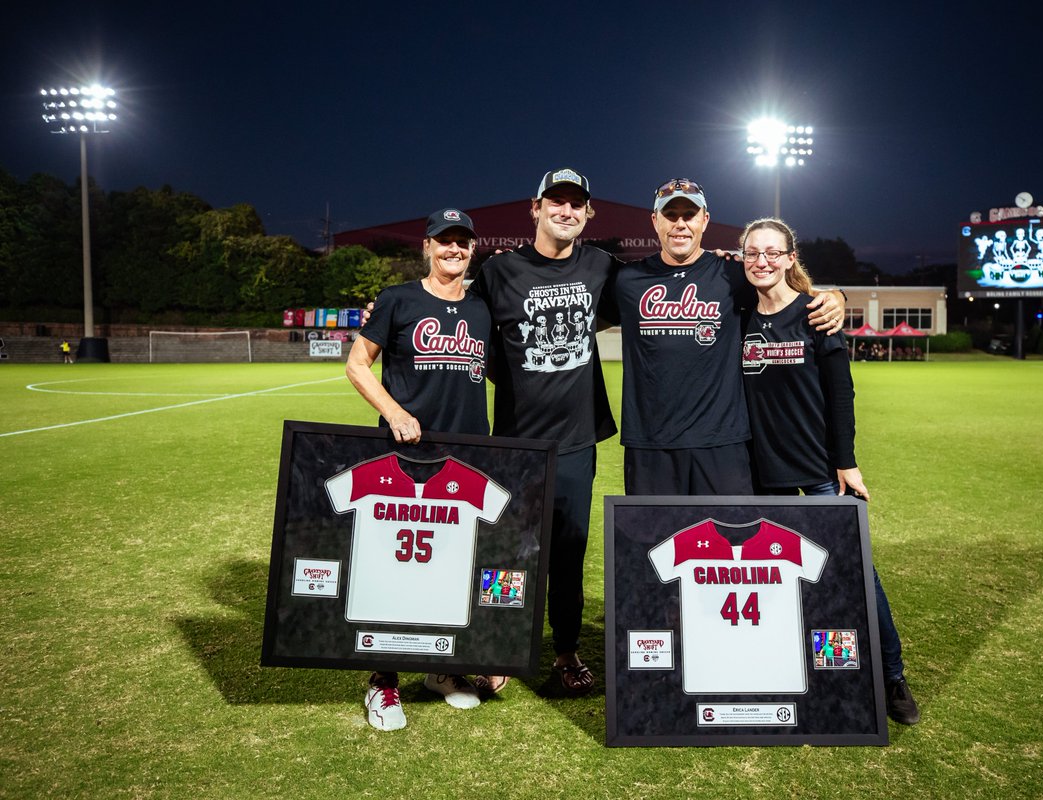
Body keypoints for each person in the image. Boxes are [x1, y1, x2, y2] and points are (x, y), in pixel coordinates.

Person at [737, 216, 921, 725]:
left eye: (774, 252)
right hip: (763, 472)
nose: (763, 261)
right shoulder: (739, 317)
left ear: (791, 259)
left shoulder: (816, 314)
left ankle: (892, 676)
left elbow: (842, 394)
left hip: (820, 470)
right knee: (773, 576)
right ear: (744, 259)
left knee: (855, 569)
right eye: (754, 253)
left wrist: (847, 462)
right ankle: (784, 662)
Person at [468, 168, 618, 695]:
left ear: (587, 213)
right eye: (555, 201)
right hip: (516, 444)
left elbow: (661, 287)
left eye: (576, 204)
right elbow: (461, 325)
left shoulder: (601, 265)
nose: (566, 211)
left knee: (568, 554)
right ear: (535, 208)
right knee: (508, 550)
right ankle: (500, 645)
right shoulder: (499, 270)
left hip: (576, 442)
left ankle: (566, 652)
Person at [601, 179, 846, 495]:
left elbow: (785, 293)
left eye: (689, 215)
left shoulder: (732, 274)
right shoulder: (627, 280)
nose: (680, 224)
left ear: (704, 220)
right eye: (670, 214)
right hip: (650, 445)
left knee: (729, 539)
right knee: (654, 542)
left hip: (723, 444)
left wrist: (836, 295)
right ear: (655, 220)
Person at [344, 207, 492, 730]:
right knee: (393, 568)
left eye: (462, 242)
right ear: (426, 246)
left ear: (473, 248)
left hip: (467, 455)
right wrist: (394, 411)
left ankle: (441, 669)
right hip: (404, 457)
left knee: (450, 565)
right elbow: (356, 364)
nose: (454, 249)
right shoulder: (397, 299)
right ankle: (383, 682)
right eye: (444, 241)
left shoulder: (482, 308)